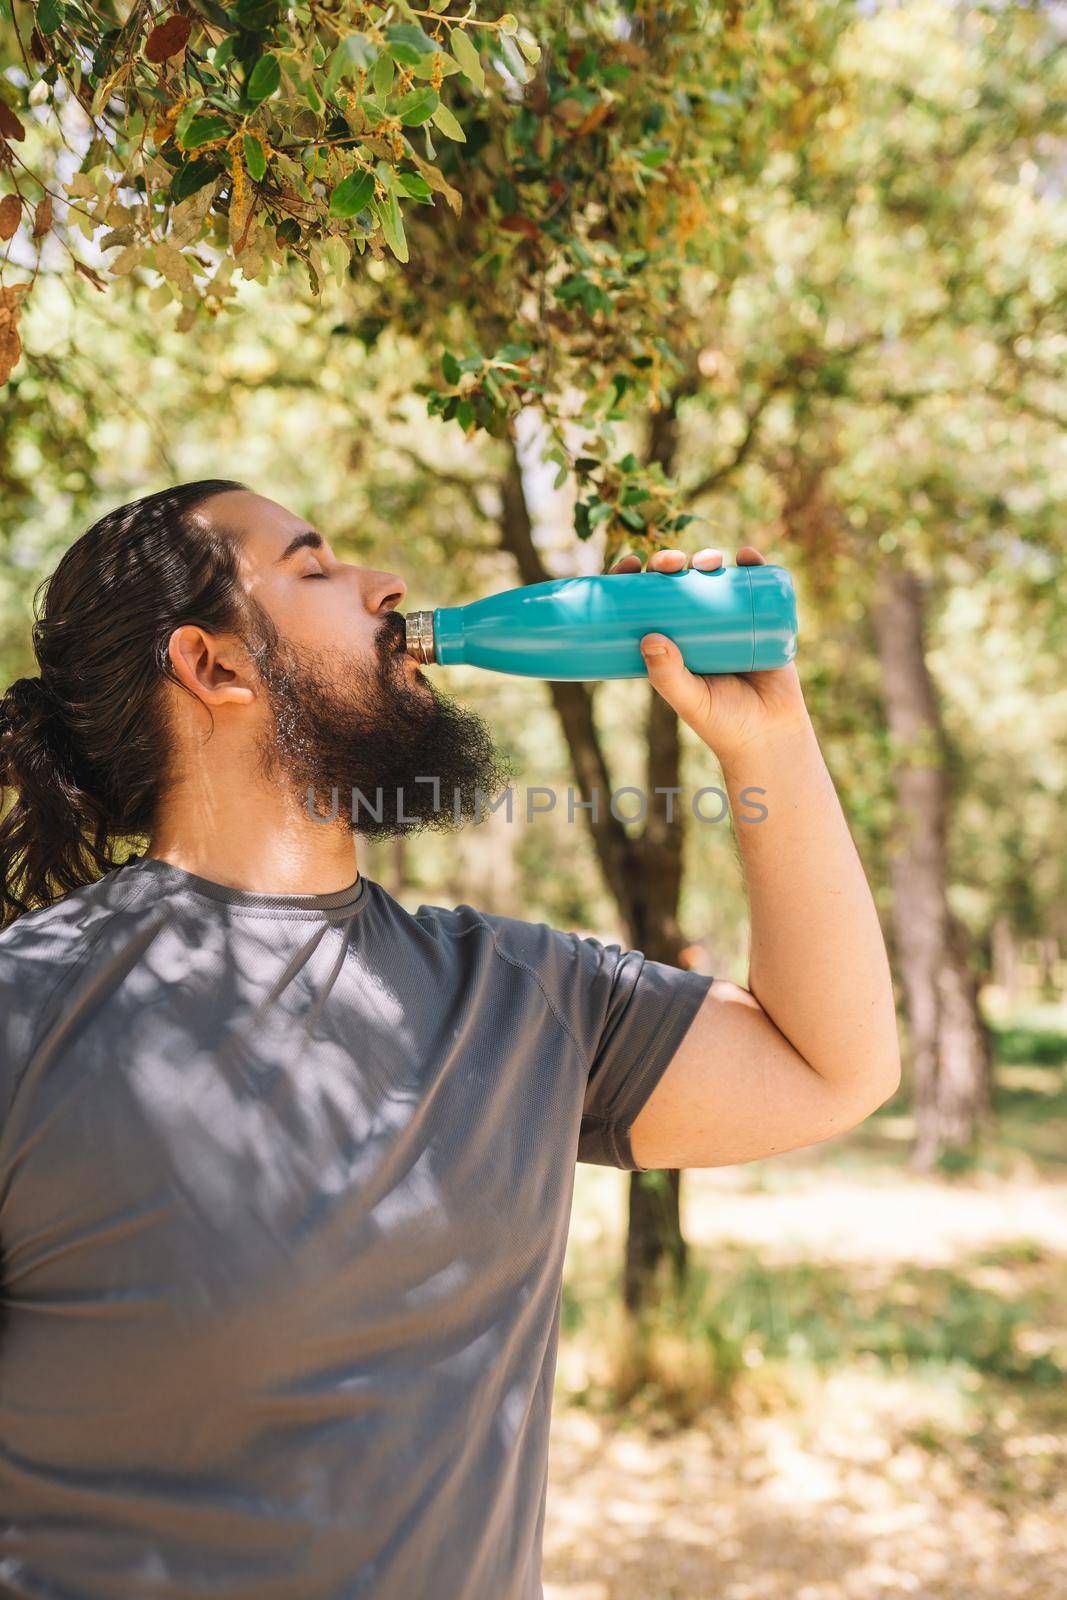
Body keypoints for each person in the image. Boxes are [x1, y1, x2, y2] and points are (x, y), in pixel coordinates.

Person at [0, 481, 900, 1599]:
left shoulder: (521, 997)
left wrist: (770, 743)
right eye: (316, 566)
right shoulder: (29, 1013)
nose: (387, 587)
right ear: (213, 665)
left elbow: (831, 1068)